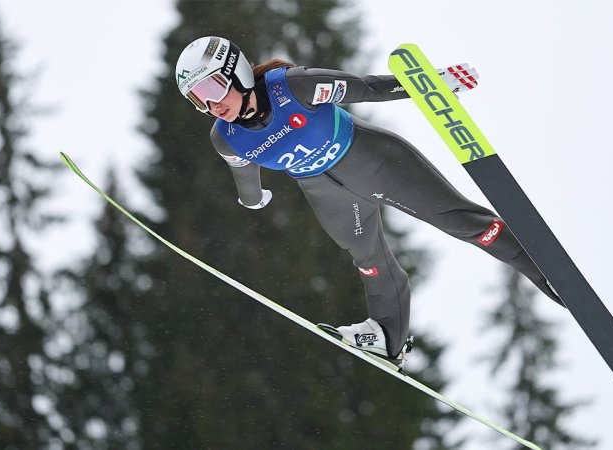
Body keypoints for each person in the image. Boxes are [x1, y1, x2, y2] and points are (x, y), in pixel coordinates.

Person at [175, 36, 563, 368]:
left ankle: (552, 275)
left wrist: (433, 84)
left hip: (375, 162)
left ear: (236, 72)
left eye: (211, 90)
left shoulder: (293, 87)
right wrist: (254, 200)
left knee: (461, 222)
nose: (211, 106)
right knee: (370, 262)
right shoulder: (225, 137)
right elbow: (244, 174)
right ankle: (387, 338)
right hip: (326, 194)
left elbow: (369, 88)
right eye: (198, 100)